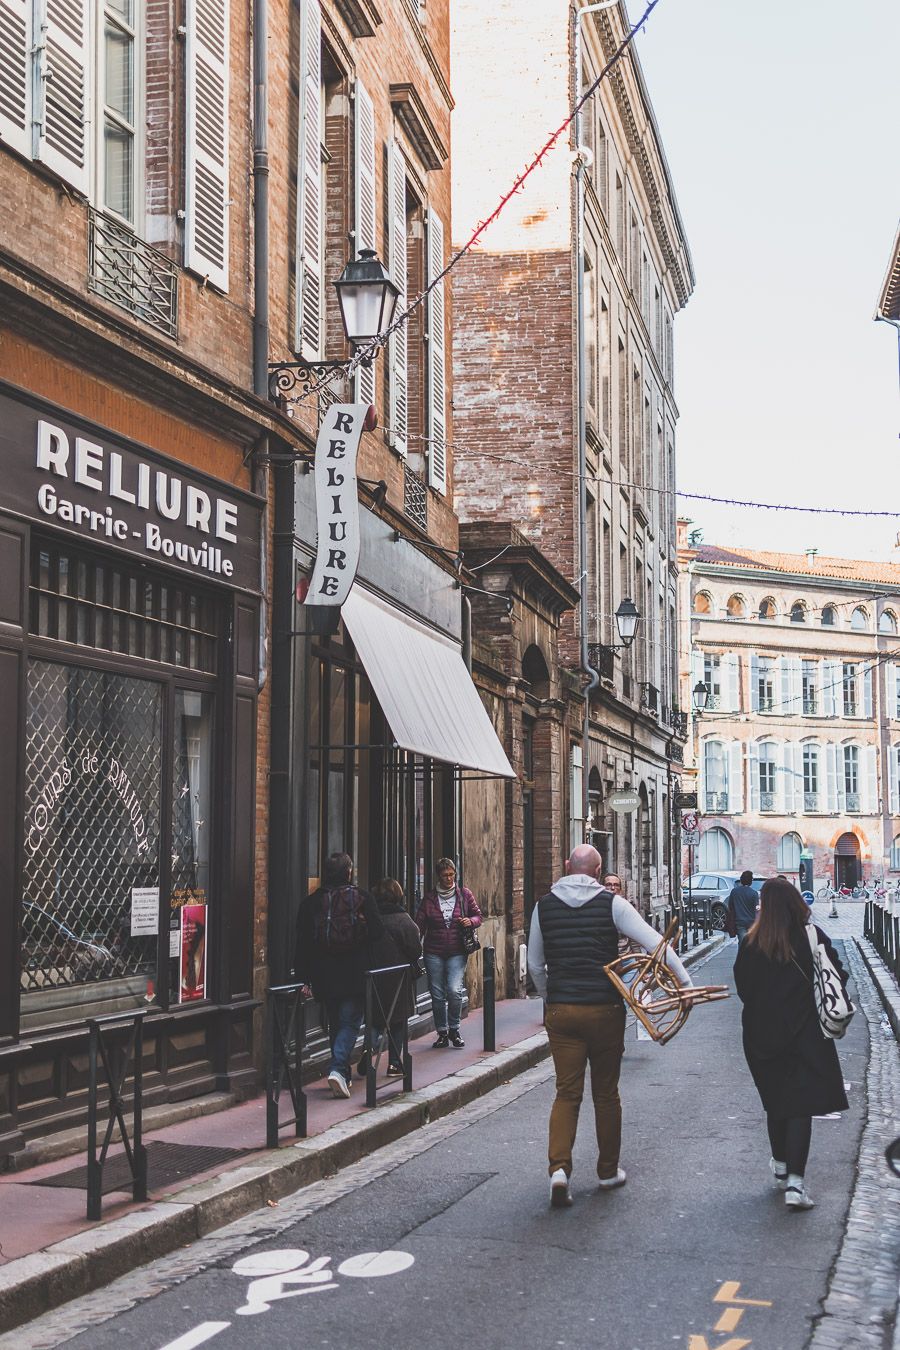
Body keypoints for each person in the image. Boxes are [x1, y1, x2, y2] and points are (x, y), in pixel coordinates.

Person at [527, 844, 692, 1208]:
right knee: (606, 1093)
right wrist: (685, 985)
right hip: (603, 1009)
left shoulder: (544, 906)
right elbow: (657, 945)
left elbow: (535, 965)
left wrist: (549, 997)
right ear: (599, 873)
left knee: (566, 1093)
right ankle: (607, 1171)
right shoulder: (613, 904)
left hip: (562, 1010)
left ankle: (559, 1170)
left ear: (567, 866)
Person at [733, 877, 849, 1211]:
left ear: (765, 907)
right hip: (805, 1032)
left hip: (760, 1035)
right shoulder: (811, 936)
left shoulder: (751, 944)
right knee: (801, 1104)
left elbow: (744, 989)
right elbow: (837, 975)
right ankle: (795, 1184)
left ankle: (781, 1165)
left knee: (777, 1100)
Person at [295, 852, 384, 1099]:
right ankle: (336, 1068)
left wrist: (303, 977)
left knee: (336, 1022)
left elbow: (302, 943)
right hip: (355, 972)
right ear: (348, 872)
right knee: (350, 1022)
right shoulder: (362, 898)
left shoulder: (311, 903)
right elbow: (377, 932)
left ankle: (342, 1073)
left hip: (323, 974)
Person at [359, 878, 423, 1078]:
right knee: (398, 1021)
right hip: (398, 977)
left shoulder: (370, 920)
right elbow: (415, 949)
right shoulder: (403, 920)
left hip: (374, 976)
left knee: (375, 1021)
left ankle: (368, 1050)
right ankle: (394, 1064)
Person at [416, 858, 482, 1049]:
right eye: (445, 875)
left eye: (451, 874)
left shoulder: (464, 895)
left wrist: (471, 921)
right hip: (433, 951)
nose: (449, 878)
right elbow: (419, 924)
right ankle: (442, 1032)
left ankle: (454, 1028)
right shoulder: (429, 899)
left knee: (454, 990)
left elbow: (478, 915)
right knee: (437, 994)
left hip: (457, 950)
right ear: (439, 876)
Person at [727, 870, 759, 942]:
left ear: (741, 880)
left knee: (742, 943)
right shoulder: (754, 893)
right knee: (750, 944)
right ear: (751, 881)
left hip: (739, 922)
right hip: (751, 922)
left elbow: (731, 907)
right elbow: (757, 909)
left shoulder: (734, 892)